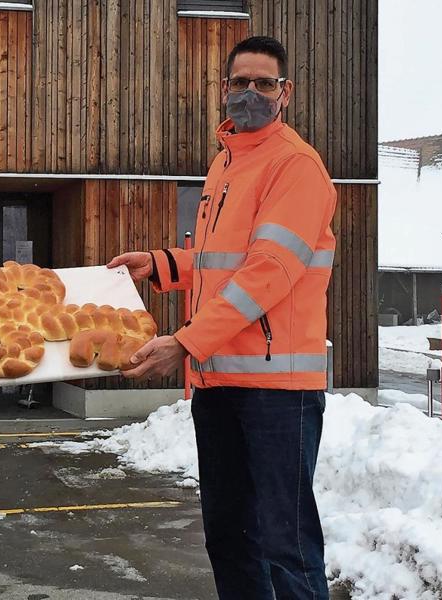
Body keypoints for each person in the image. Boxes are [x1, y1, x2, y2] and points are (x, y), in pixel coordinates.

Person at [108, 36, 337, 600]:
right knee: (230, 540)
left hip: (277, 390)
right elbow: (220, 266)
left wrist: (185, 342)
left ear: (285, 94)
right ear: (224, 89)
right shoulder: (226, 164)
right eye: (241, 83)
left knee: (286, 545)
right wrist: (162, 264)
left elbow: (269, 272)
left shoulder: (296, 167)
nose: (250, 93)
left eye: (264, 83)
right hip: (221, 382)